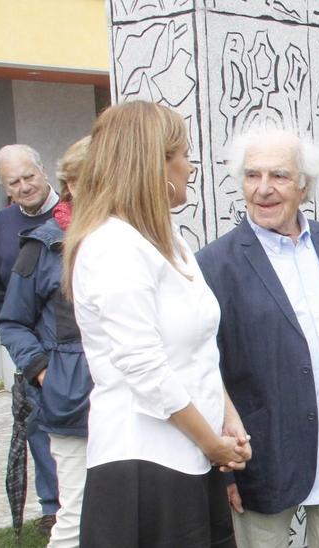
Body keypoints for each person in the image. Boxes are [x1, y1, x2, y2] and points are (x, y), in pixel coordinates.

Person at [65, 100, 251, 547]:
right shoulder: (112, 247)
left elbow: (199, 347)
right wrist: (211, 443)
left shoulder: (170, 243)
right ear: (154, 165)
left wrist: (228, 419)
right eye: (182, 155)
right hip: (145, 465)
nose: (190, 166)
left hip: (191, 454)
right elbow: (145, 367)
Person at [195, 128, 319, 547]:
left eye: (278, 176)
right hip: (260, 458)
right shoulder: (213, 266)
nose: (263, 189)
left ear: (304, 184)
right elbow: (207, 370)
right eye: (252, 176)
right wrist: (224, 465)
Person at [0, 137, 93, 548]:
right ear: (72, 184)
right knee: (74, 516)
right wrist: (42, 370)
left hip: (129, 398)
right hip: (71, 398)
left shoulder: (132, 237)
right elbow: (12, 321)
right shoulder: (41, 245)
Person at [0, 144, 62, 534]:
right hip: (28, 346)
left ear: (43, 170)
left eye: (29, 176)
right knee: (38, 429)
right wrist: (17, 344)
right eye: (13, 182)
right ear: (6, 187)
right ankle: (52, 509)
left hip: (64, 345)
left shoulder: (70, 215)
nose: (24, 186)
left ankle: (78, 506)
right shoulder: (1, 223)